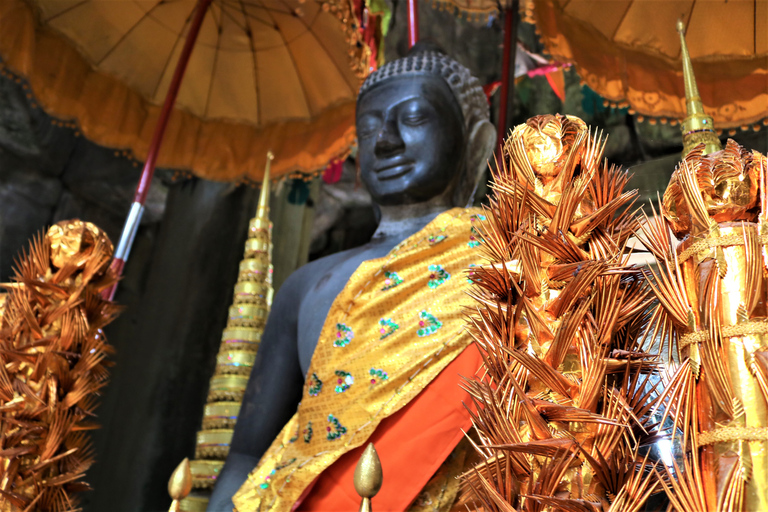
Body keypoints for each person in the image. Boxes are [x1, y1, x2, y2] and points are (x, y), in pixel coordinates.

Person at [208, 44, 496, 512]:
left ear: (477, 142)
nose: (384, 141)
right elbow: (246, 452)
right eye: (368, 127)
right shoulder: (308, 283)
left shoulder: (502, 262)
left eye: (416, 117)